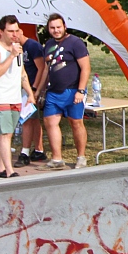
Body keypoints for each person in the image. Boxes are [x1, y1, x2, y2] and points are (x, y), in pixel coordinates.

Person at [0, 15, 35, 178]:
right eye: (10, 31)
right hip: (0, 97)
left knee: (7, 134)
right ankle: (9, 170)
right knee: (5, 134)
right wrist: (11, 55)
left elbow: (22, 73)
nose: (15, 34)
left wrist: (30, 94)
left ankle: (0, 169)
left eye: (17, 30)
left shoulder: (17, 48)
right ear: (1, 32)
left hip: (15, 97)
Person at [39, 13, 91, 170]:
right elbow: (46, 69)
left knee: (76, 122)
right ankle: (57, 159)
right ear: (48, 29)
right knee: (50, 122)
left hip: (73, 90)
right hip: (53, 92)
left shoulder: (75, 43)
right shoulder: (48, 45)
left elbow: (85, 68)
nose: (56, 30)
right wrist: (40, 91)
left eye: (58, 27)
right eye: (52, 28)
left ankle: (81, 157)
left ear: (64, 27)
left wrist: (80, 90)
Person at [15, 24, 47, 166]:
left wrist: (35, 89)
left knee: (27, 119)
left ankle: (25, 152)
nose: (14, 36)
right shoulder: (16, 49)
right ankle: (39, 149)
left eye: (16, 32)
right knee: (32, 119)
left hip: (31, 88)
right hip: (23, 87)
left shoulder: (32, 46)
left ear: (21, 32)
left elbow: (41, 68)